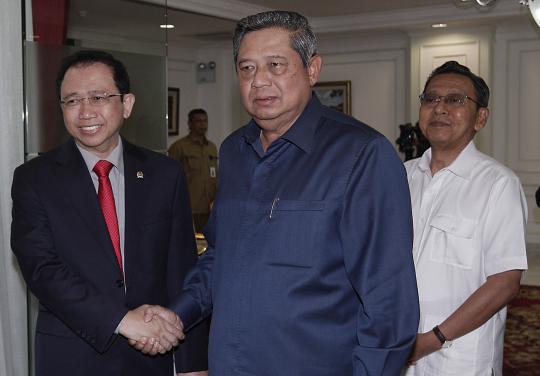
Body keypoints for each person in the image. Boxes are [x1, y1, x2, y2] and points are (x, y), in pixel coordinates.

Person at [140, 10, 419, 375]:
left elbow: (388, 301)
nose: (259, 81)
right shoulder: (233, 151)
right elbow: (221, 257)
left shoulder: (361, 154)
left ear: (313, 69)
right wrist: (178, 313)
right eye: (247, 68)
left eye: (275, 64)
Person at [10, 50, 208, 375]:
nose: (86, 111)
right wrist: (122, 320)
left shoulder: (164, 174)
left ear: (126, 104)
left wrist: (193, 363)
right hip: (72, 356)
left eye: (98, 97)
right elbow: (42, 269)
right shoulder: (35, 179)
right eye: (72, 101)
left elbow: (182, 271)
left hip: (151, 356)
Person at [404, 61, 528, 375]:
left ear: (481, 118)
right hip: (398, 349)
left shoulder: (498, 184)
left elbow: (505, 282)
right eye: (430, 99)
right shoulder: (399, 177)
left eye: (456, 100)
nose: (440, 108)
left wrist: (434, 338)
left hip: (459, 356)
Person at [168, 109, 218, 232]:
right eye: (198, 121)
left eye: (205, 121)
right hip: (189, 208)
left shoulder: (212, 147)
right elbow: (169, 180)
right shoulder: (179, 147)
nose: (202, 124)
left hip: (210, 209)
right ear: (189, 124)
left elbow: (215, 175)